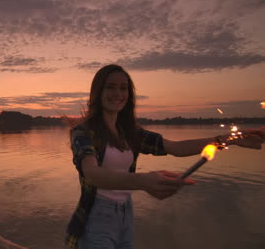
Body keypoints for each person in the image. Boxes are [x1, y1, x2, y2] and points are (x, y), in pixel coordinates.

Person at [65, 64, 264, 249]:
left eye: (123, 88)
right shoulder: (83, 132)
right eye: (111, 87)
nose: (118, 94)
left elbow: (176, 147)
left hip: (125, 213)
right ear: (98, 91)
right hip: (96, 215)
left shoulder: (130, 133)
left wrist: (230, 139)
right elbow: (92, 174)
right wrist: (143, 181)